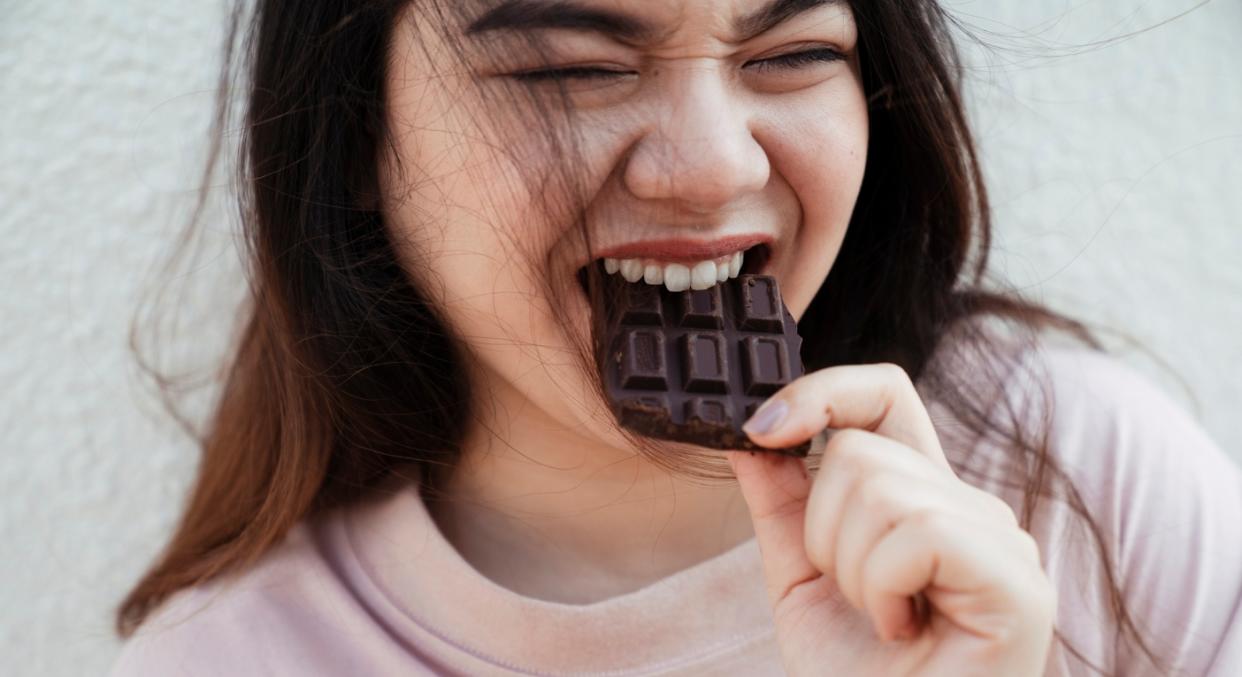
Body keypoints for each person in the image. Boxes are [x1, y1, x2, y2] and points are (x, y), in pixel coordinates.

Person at [109, 0, 1241, 675]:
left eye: (791, 52)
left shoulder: (1081, 479)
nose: (714, 167)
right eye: (573, 68)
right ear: (356, 133)